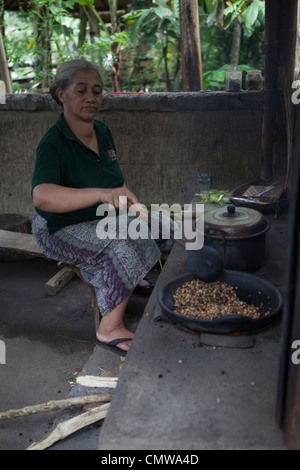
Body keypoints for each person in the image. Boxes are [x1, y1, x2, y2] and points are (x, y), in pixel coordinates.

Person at [31, 59, 173, 356]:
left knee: (165, 228)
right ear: (62, 95)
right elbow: (42, 196)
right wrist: (99, 194)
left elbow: (115, 182)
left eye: (96, 91)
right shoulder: (53, 144)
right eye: (81, 90)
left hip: (99, 218)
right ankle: (109, 328)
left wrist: (130, 203)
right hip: (59, 228)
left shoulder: (102, 131)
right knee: (128, 241)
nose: (91, 97)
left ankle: (131, 277)